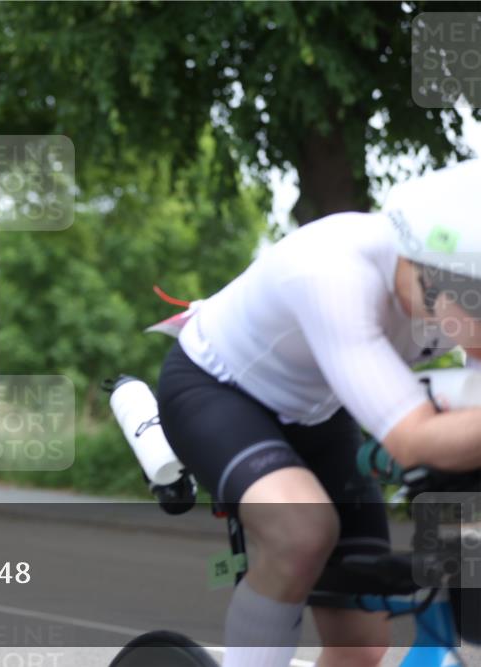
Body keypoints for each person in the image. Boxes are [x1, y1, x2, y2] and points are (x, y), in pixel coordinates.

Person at [155, 160, 481, 667]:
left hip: (320, 411)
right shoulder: (333, 273)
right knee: (301, 534)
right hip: (216, 391)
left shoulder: (452, 280)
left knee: (363, 644)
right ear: (436, 273)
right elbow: (413, 439)